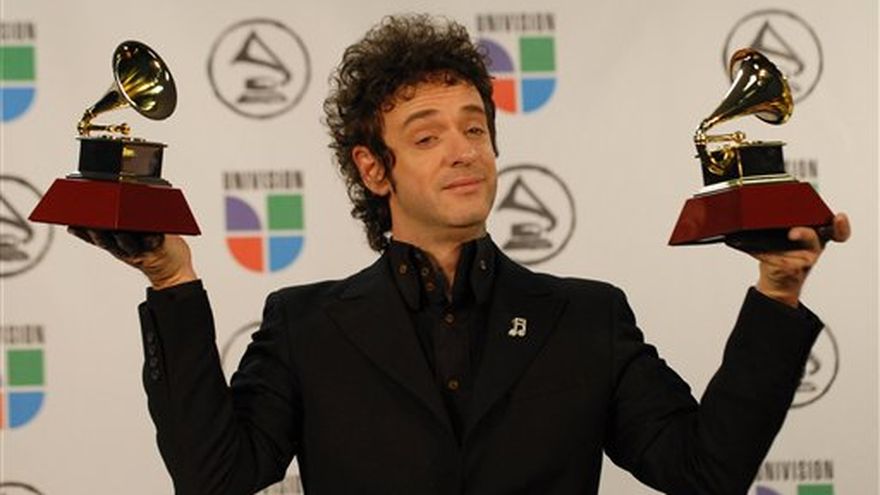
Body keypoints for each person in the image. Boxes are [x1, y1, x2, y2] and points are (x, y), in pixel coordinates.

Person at [71, 14, 851, 495]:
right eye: (427, 135)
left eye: (475, 127)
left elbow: (703, 472)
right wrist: (172, 280)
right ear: (374, 169)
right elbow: (215, 479)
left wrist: (778, 291)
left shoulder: (588, 317)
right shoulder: (304, 326)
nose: (463, 149)